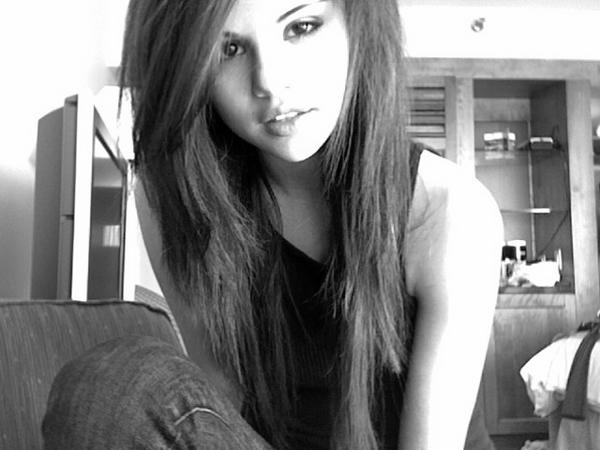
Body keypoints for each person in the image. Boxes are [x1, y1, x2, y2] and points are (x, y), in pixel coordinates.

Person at [42, 0, 503, 449]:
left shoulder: (449, 211)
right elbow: (220, 405)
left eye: (300, 27)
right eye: (227, 49)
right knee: (110, 388)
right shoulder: (174, 202)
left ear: (358, 21)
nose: (268, 82)